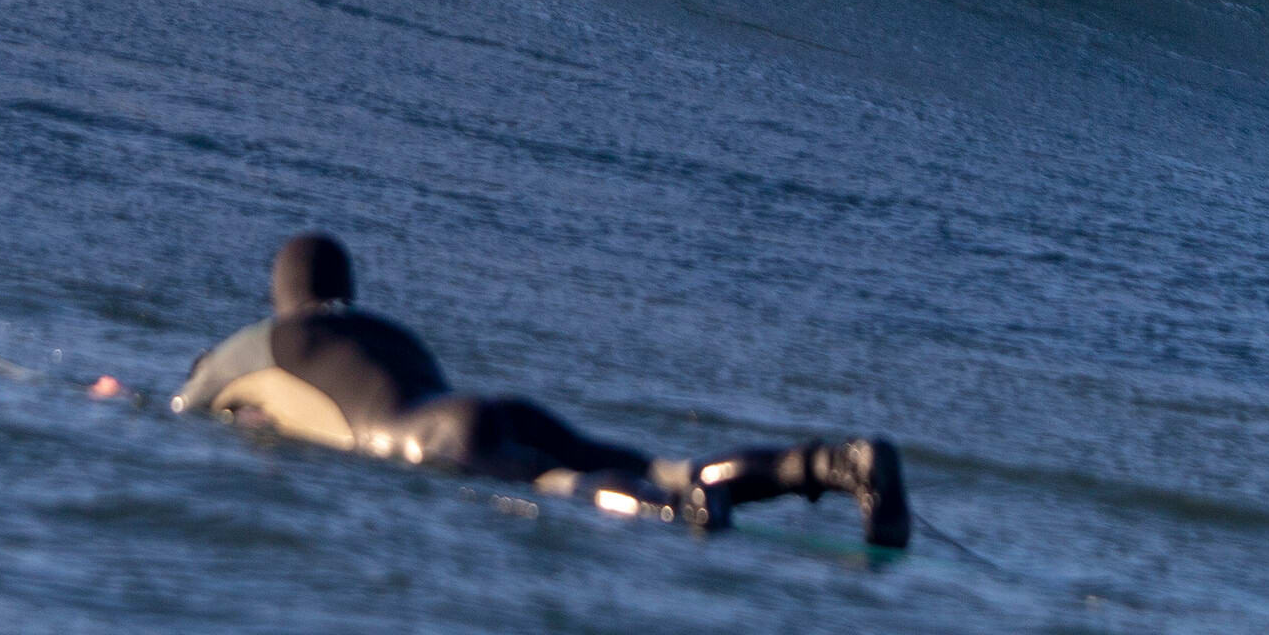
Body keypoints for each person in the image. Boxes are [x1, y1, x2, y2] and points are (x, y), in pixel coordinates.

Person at [172, 232, 909, 547]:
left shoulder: (256, 343)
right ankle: (834, 464)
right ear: (348, 290)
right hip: (490, 409)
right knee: (660, 461)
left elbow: (188, 403)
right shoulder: (393, 332)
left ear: (280, 297)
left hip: (429, 444)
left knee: (563, 484)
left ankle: (675, 514)